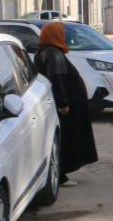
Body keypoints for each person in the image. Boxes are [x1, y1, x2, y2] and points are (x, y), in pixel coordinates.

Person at [32, 22, 98, 186]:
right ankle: (60, 175)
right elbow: (57, 79)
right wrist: (63, 104)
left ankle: (60, 173)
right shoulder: (53, 54)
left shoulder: (46, 52)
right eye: (61, 33)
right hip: (67, 109)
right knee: (67, 139)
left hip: (68, 106)